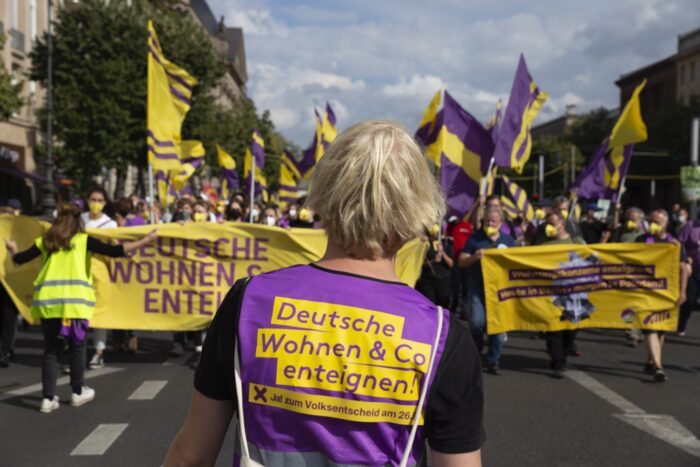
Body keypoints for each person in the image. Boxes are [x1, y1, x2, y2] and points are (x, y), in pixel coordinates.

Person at [164, 120, 484, 467]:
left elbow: (190, 456)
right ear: (417, 211)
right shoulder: (441, 336)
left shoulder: (247, 302)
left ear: (325, 195)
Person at [5, 204, 157, 412]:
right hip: (75, 305)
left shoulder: (46, 242)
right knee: (77, 348)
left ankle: (47, 399)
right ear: (78, 221)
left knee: (51, 351)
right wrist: (146, 240)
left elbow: (20, 259)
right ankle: (77, 392)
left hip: (49, 304)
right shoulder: (84, 241)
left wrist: (13, 250)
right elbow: (116, 251)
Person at [458, 205, 515, 376]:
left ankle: (493, 361)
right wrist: (475, 257)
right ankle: (477, 349)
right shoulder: (475, 239)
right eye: (487, 220)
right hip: (478, 288)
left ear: (501, 223)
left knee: (497, 330)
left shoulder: (508, 241)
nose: (490, 223)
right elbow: (461, 261)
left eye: (494, 221)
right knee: (476, 323)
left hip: (499, 292)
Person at [636, 209, 688, 382]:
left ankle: (651, 360)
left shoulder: (674, 243)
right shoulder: (642, 240)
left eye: (657, 221)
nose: (653, 224)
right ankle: (658, 366)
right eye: (651, 220)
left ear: (665, 223)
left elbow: (683, 269)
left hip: (667, 291)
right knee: (649, 327)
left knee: (661, 329)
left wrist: (682, 291)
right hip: (646, 291)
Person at [538, 211, 584, 378]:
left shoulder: (575, 242)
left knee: (571, 329)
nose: (549, 227)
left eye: (552, 223)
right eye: (547, 224)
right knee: (554, 329)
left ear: (562, 224)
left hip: (573, 293)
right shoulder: (543, 244)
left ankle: (564, 353)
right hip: (550, 294)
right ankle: (558, 361)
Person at [81, 187, 117, 369]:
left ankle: (98, 352)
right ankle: (77, 350)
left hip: (101, 271)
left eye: (100, 200)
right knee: (80, 312)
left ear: (104, 203)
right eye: (93, 199)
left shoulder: (110, 224)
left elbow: (115, 248)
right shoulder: (80, 220)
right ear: (87, 200)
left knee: (99, 312)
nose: (96, 203)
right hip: (80, 270)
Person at [415, 225, 454, 308]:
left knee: (443, 306)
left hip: (443, 281)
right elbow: (420, 262)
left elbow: (451, 264)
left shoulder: (447, 243)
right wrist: (433, 261)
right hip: (428, 280)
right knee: (429, 306)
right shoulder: (425, 244)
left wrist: (443, 253)